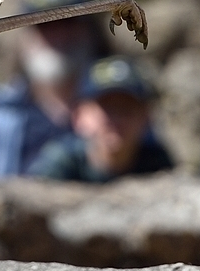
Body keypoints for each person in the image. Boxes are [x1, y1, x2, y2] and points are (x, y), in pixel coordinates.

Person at [0, 0, 107, 178]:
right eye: (45, 25)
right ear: (23, 37)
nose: (59, 36)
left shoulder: (119, 106)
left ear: (90, 30)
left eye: (69, 23)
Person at [28, 56, 173, 182]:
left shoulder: (157, 164)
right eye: (108, 109)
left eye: (126, 109)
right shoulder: (61, 163)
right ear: (80, 116)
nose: (117, 120)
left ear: (146, 117)